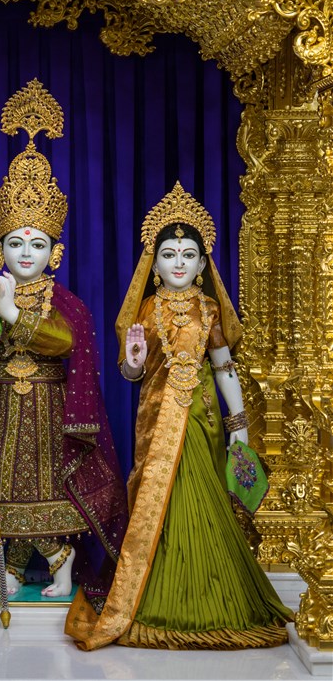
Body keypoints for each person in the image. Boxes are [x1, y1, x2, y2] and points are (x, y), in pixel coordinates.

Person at [66, 182, 292, 649]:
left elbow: (225, 368)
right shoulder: (146, 310)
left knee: (203, 498)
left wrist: (239, 427)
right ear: (154, 266)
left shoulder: (209, 310)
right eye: (169, 255)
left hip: (203, 421)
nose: (179, 264)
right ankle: (154, 596)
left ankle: (214, 597)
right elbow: (131, 374)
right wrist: (132, 361)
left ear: (203, 265)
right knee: (158, 503)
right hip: (155, 422)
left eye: (189, 255)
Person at [0, 79, 127, 600]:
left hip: (47, 411)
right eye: (16, 243)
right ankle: (16, 566)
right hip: (4, 405)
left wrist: (8, 311)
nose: (26, 253)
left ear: (54, 253)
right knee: (4, 484)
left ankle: (61, 561)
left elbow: (63, 343)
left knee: (39, 485)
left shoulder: (66, 303)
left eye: (37, 244)